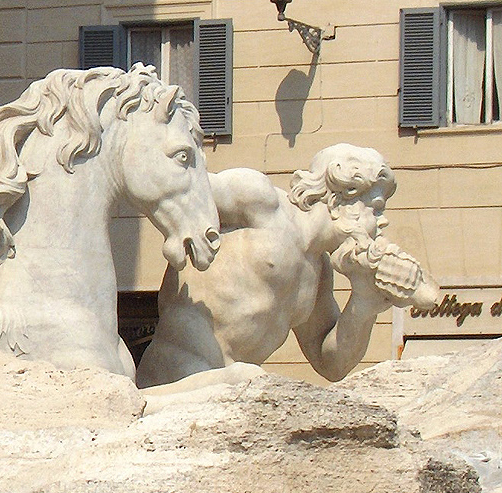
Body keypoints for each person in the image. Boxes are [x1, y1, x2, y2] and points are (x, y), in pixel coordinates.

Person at [138, 144, 440, 387]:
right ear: (340, 202)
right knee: (252, 383)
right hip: (174, 372)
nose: (381, 223)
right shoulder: (263, 202)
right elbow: (183, 188)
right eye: (375, 210)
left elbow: (331, 364)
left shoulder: (318, 272)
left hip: (233, 386)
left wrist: (363, 302)